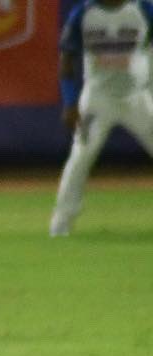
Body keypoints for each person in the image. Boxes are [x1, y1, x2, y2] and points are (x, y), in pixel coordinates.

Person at [49, 0, 153, 236]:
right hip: (97, 99)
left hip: (137, 98)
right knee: (80, 156)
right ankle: (61, 222)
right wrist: (69, 102)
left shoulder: (143, 9)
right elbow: (67, 58)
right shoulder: (84, 13)